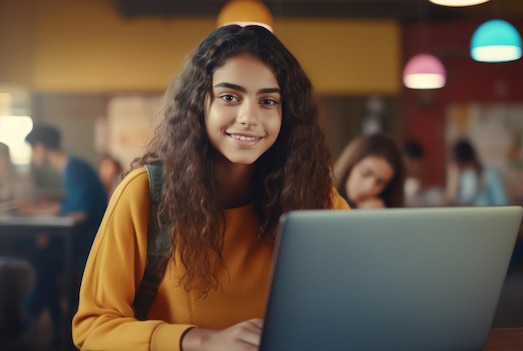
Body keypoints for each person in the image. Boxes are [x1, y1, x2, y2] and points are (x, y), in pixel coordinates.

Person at [72, 25, 349, 351]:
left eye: (268, 101)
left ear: (286, 114)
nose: (249, 117)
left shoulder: (317, 199)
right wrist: (198, 340)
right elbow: (93, 327)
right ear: (197, 103)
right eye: (229, 97)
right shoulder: (145, 194)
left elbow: (352, 308)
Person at [17, 124, 108, 339]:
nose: (32, 156)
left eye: (32, 150)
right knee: (44, 257)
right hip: (87, 237)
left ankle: (30, 317)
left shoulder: (73, 168)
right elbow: (73, 206)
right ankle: (52, 320)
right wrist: (42, 210)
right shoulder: (73, 166)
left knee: (43, 259)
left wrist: (40, 212)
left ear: (40, 147)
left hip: (88, 241)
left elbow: (81, 213)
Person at [333, 133, 405, 208]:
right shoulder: (324, 199)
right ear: (350, 166)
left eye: (380, 182)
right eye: (365, 173)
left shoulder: (382, 208)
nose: (369, 187)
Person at [444, 139, 509, 206]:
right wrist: (453, 180)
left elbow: (502, 201)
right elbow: (454, 200)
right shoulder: (463, 176)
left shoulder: (490, 174)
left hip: (490, 214)